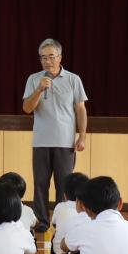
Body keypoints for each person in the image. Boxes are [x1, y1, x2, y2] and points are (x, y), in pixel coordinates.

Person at [22, 38, 88, 232]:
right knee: (40, 184)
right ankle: (42, 222)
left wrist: (82, 136)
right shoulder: (34, 79)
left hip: (65, 142)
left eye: (51, 56)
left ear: (60, 57)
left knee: (64, 186)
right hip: (41, 142)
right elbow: (27, 108)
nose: (47, 61)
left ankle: (62, 221)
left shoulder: (73, 79)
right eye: (43, 57)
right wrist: (40, 89)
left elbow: (81, 109)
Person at [51, 172, 89, 254]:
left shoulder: (59, 207)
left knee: (55, 234)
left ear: (65, 195)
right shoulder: (91, 210)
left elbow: (54, 223)